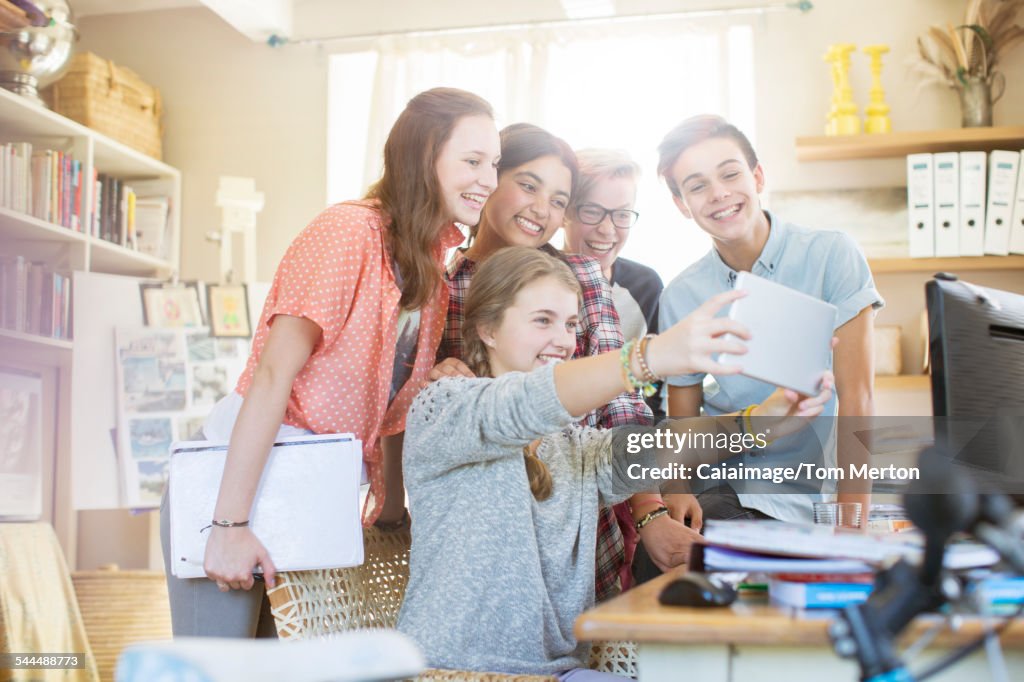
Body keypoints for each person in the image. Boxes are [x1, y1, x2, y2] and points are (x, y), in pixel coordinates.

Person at [159, 87, 501, 638]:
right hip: (234, 483)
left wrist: (391, 509)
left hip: (310, 492)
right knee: (216, 671)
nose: (488, 178)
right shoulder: (349, 232)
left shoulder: (430, 267)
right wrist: (227, 525)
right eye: (473, 160)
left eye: (495, 163)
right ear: (423, 156)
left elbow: (393, 412)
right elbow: (273, 375)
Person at [398, 246, 833, 678]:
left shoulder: (571, 445)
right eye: (542, 320)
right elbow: (525, 402)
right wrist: (651, 357)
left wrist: (763, 420)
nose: (564, 341)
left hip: (561, 674)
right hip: (452, 672)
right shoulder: (444, 408)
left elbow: (655, 449)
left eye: (570, 324)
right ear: (487, 329)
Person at [643, 114, 883, 580]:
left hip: (803, 493)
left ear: (757, 176)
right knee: (675, 560)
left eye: (730, 174)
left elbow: (859, 400)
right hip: (723, 485)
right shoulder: (683, 294)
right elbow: (683, 422)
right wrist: (675, 490)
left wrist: (852, 526)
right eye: (697, 186)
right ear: (681, 204)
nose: (718, 194)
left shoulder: (831, 255)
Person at [436, 123, 652, 601]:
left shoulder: (579, 275)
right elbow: (427, 414)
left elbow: (622, 404)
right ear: (491, 178)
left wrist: (651, 513)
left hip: (581, 517)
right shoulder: (442, 286)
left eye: (558, 200)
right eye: (528, 186)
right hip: (484, 535)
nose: (541, 210)